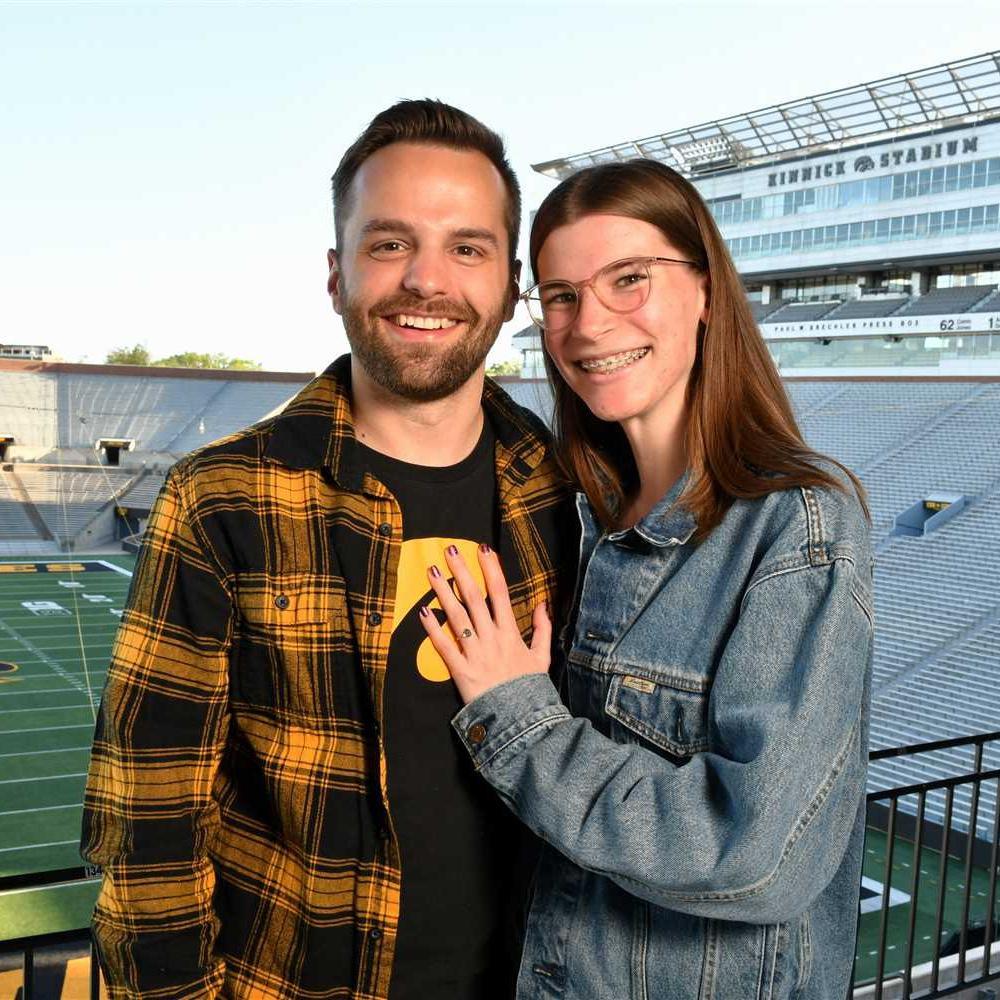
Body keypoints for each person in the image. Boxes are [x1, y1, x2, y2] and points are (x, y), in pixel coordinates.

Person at [80, 100, 576, 1000]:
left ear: (509, 287)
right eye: (390, 244)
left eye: (466, 249)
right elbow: (147, 826)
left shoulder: (560, 489)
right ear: (336, 272)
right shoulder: (221, 497)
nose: (427, 281)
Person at [419, 159, 874, 999]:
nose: (588, 324)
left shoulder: (799, 527)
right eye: (560, 296)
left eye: (628, 279)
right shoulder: (572, 517)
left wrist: (517, 719)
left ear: (705, 288)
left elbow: (757, 855)